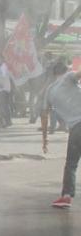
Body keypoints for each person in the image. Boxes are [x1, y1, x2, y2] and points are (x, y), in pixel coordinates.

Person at [42, 62, 81, 209]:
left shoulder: (49, 91)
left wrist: (45, 140)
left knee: (71, 164)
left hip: (75, 130)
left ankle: (66, 196)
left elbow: (44, 115)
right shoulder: (68, 77)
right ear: (66, 70)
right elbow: (79, 74)